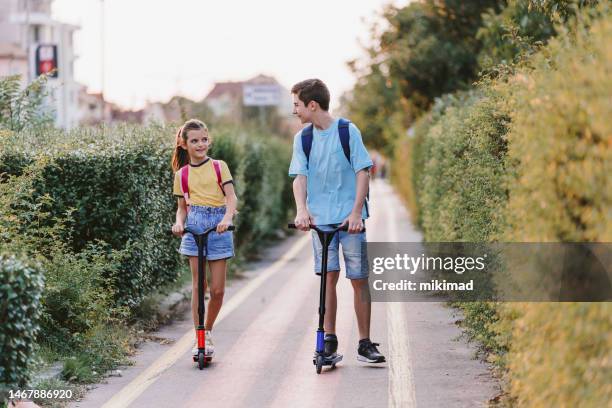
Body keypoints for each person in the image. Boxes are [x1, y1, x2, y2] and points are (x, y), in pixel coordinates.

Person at [288, 79, 386, 363]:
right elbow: (300, 177)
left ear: (312, 105)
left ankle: (365, 343)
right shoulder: (302, 139)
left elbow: (363, 172)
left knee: (358, 279)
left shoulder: (347, 131)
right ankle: (329, 340)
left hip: (348, 219)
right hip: (320, 221)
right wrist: (301, 211)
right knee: (327, 279)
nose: (294, 110)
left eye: (297, 104)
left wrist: (356, 213)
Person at [171, 119, 237, 358]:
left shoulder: (220, 166)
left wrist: (227, 218)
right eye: (194, 141)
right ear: (184, 144)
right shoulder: (182, 174)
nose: (200, 145)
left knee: (218, 290)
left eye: (204, 140)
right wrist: (179, 223)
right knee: (200, 286)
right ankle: (200, 336)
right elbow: (181, 208)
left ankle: (207, 330)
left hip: (219, 226)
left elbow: (231, 197)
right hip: (194, 225)